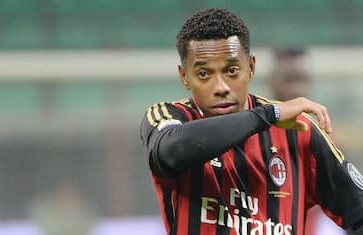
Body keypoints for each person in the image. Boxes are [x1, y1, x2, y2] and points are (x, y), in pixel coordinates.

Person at [140, 8, 363, 235]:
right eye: (204, 74)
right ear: (184, 76)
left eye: (232, 70)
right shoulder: (171, 118)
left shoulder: (300, 131)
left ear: (251, 67)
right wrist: (268, 116)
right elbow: (170, 151)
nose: (221, 87)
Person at [268, 47, 346, 235]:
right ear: (273, 81)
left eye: (302, 79)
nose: (297, 88)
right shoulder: (253, 130)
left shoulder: (324, 135)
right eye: (290, 79)